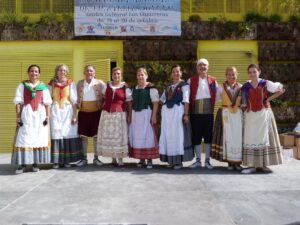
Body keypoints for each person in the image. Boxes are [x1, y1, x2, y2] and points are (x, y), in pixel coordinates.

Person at [241, 64, 285, 174]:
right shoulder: (246, 86)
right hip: (251, 116)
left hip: (263, 115)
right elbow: (243, 101)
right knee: (251, 138)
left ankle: (264, 165)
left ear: (259, 72)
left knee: (264, 138)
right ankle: (252, 165)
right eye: (250, 72)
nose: (252, 74)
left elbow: (280, 89)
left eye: (254, 72)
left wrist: (268, 99)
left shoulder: (265, 83)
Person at [12, 64, 52, 174]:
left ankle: (35, 163)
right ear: (28, 73)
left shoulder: (43, 87)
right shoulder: (22, 85)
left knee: (37, 137)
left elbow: (47, 103)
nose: (34, 73)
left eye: (36, 71)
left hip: (40, 115)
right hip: (27, 114)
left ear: (39, 74)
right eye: (31, 71)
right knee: (24, 137)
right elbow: (18, 102)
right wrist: (18, 117)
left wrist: (47, 117)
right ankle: (22, 164)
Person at [159, 64, 194, 170]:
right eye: (174, 71)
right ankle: (171, 160)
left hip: (178, 114)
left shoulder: (184, 85)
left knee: (178, 137)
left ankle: (178, 162)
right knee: (169, 136)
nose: (176, 73)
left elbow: (186, 100)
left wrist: (186, 114)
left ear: (181, 73)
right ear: (171, 74)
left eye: (177, 71)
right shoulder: (168, 86)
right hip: (168, 115)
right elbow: (162, 99)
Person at [97, 67, 132, 167]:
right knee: (109, 137)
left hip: (119, 115)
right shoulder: (106, 86)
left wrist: (129, 115)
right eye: (115, 74)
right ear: (112, 75)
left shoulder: (125, 87)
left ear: (121, 75)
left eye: (118, 74)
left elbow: (129, 103)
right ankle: (113, 159)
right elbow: (103, 97)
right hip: (107, 114)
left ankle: (120, 159)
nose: (116, 75)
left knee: (119, 137)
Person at [48, 64, 82, 168]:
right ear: (57, 71)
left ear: (66, 72)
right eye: (60, 70)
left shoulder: (70, 83)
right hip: (55, 110)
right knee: (56, 133)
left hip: (67, 111)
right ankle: (56, 161)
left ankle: (67, 160)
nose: (62, 72)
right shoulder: (51, 83)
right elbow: (48, 100)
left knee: (67, 133)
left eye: (64, 70)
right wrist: (47, 114)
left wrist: (75, 116)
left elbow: (74, 101)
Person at [188, 58, 220, 169]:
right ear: (197, 68)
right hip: (195, 113)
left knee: (208, 137)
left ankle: (207, 161)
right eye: (200, 65)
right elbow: (186, 97)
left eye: (204, 65)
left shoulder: (213, 81)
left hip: (208, 113)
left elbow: (219, 95)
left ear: (208, 67)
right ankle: (197, 161)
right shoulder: (191, 80)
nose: (202, 67)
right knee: (196, 137)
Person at [211, 66, 243, 171]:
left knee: (237, 138)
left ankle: (237, 162)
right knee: (227, 138)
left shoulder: (241, 87)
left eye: (233, 74)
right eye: (229, 74)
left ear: (236, 75)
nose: (231, 76)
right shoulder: (220, 88)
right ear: (226, 76)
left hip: (237, 114)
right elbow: (215, 100)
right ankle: (229, 162)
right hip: (225, 114)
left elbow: (244, 102)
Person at [129, 68, 159, 169]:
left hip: (146, 113)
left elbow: (155, 102)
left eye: (142, 75)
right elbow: (131, 102)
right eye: (138, 75)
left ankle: (149, 159)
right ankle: (141, 159)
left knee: (148, 136)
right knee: (138, 137)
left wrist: (154, 116)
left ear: (146, 76)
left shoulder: (151, 88)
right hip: (136, 116)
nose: (140, 77)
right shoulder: (134, 88)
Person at [76, 65, 105, 166]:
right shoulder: (79, 83)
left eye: (91, 71)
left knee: (96, 136)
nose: (89, 73)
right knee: (83, 136)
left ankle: (96, 158)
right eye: (87, 71)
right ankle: (84, 158)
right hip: (83, 112)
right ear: (84, 73)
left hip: (96, 113)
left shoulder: (100, 83)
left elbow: (107, 95)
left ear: (94, 73)